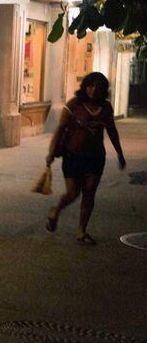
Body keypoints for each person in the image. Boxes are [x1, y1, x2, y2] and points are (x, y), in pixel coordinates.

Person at [45, 72, 126, 244]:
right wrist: (51, 153)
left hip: (96, 157)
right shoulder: (74, 105)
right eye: (90, 85)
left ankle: (82, 230)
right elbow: (60, 129)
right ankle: (55, 210)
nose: (93, 89)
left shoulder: (106, 108)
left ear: (104, 89)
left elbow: (111, 131)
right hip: (73, 155)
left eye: (98, 86)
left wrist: (120, 153)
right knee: (73, 193)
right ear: (85, 87)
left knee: (89, 193)